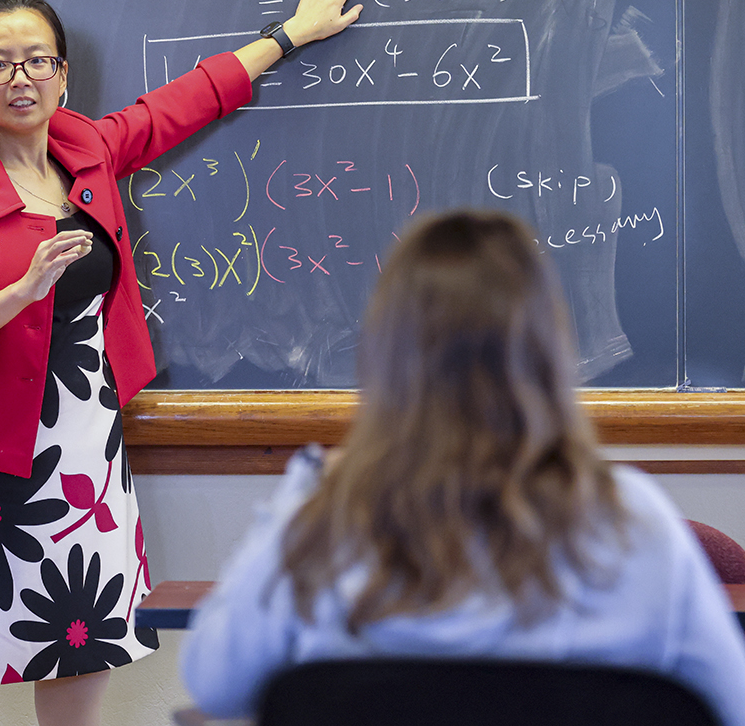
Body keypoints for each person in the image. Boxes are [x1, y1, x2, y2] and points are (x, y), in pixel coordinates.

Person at [0, 0, 368, 726]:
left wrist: (288, 35)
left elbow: (187, 101)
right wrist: (16, 296)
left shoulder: (91, 153)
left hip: (87, 457)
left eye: (38, 61)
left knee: (79, 654)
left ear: (63, 74)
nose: (22, 79)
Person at [179, 210, 745, 725]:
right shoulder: (630, 521)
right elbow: (729, 703)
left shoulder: (324, 523)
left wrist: (302, 492)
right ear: (549, 352)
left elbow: (214, 682)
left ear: (384, 357)